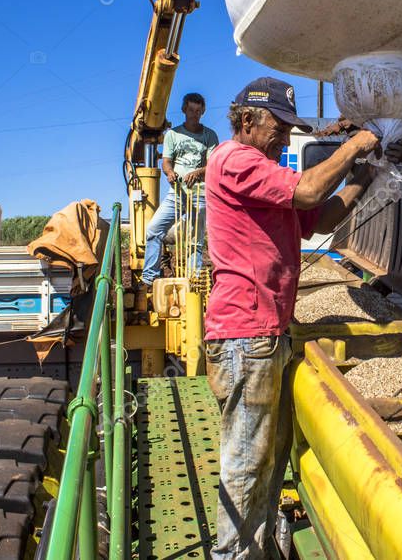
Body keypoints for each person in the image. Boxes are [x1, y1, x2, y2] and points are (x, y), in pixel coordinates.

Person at [204, 77, 381, 559]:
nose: (285, 138)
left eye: (289, 129)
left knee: (266, 458)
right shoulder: (234, 159)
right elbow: (306, 191)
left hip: (265, 334)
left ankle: (255, 549)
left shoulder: (264, 175)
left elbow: (318, 218)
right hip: (246, 333)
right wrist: (358, 143)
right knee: (247, 460)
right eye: (279, 127)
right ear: (246, 121)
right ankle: (234, 555)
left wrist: (363, 175)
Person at [142, 92, 219, 287]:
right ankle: (150, 277)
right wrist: (169, 173)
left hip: (199, 194)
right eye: (191, 110)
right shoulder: (173, 134)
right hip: (176, 194)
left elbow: (213, 165)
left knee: (195, 241)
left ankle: (192, 282)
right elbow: (166, 162)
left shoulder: (209, 136)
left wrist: (198, 172)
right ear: (184, 109)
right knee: (153, 229)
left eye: (198, 111)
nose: (195, 114)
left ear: (203, 112)